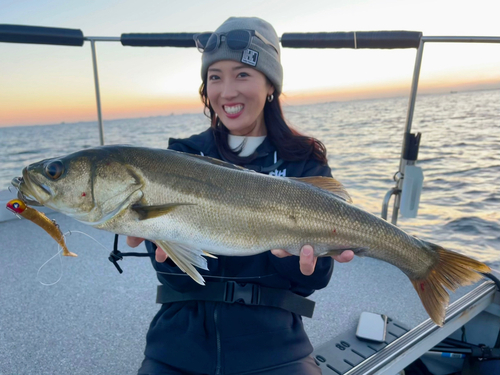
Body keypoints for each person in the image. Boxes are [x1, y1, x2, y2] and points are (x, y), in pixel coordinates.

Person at [128, 16, 354, 375]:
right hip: (178, 343)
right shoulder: (181, 155)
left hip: (276, 344)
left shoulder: (304, 161)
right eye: (214, 77)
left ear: (270, 85)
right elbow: (174, 281)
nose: (227, 91)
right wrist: (169, 255)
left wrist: (292, 259)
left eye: (242, 74)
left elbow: (313, 280)